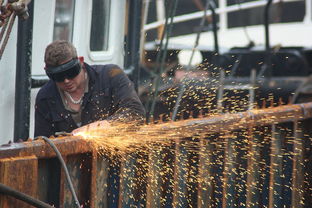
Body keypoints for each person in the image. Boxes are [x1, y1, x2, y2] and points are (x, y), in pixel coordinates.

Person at [34, 40, 145, 137]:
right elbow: (43, 142)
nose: (66, 80)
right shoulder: (45, 97)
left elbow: (135, 112)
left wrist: (98, 127)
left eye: (71, 72)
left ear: (81, 61)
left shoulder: (111, 75)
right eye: (58, 77)